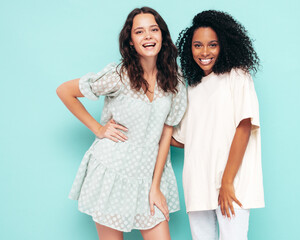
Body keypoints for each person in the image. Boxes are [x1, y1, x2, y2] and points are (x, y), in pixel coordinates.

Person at [56, 7, 186, 240]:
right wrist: (98, 129)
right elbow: (64, 91)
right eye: (139, 32)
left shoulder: (175, 81)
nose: (148, 36)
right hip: (111, 172)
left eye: (153, 29)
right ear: (131, 42)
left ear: (162, 37)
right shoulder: (118, 75)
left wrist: (155, 186)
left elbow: (166, 135)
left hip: (149, 176)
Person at [172, 10, 265, 240]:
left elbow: (244, 127)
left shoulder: (237, 76)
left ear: (223, 44)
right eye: (197, 45)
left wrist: (226, 182)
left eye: (212, 45)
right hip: (197, 185)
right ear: (189, 48)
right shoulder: (193, 87)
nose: (204, 52)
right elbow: (186, 140)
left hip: (231, 185)